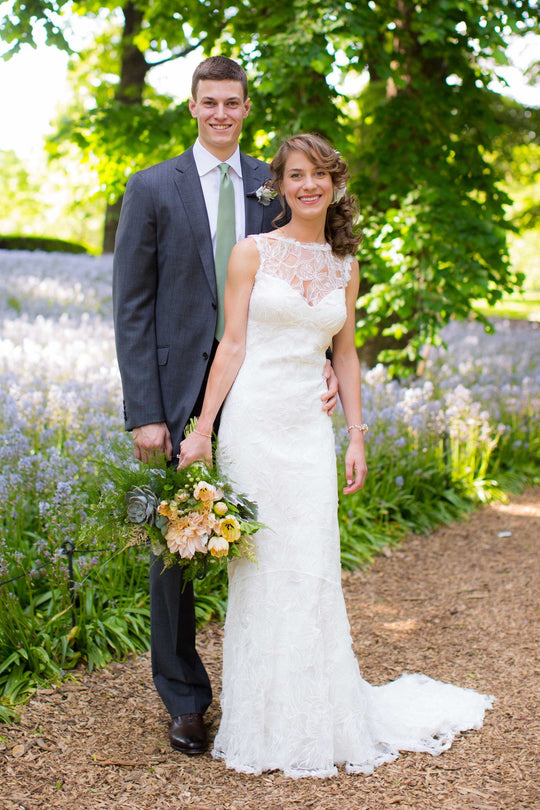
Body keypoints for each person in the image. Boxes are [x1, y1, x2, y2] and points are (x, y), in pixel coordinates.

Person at [178, 133, 494, 778]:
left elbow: (344, 354)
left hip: (308, 429)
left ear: (334, 184)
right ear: (279, 186)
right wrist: (202, 429)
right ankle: (261, 720)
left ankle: (317, 717)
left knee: (311, 563)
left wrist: (356, 434)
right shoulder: (251, 252)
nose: (309, 185)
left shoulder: (345, 266)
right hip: (253, 423)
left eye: (319, 174)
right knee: (259, 567)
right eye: (296, 175)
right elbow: (232, 345)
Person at [112, 58, 338, 757]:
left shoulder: (276, 187)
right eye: (208, 102)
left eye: (231, 103)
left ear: (245, 108)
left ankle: (273, 691)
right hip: (180, 392)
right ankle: (185, 700)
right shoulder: (153, 187)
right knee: (175, 552)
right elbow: (132, 306)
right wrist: (146, 411)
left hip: (266, 390)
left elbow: (305, 279)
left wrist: (324, 362)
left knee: (275, 541)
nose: (220, 113)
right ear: (192, 106)